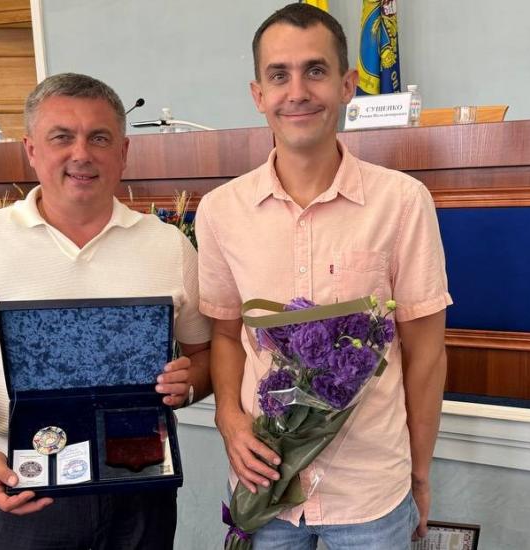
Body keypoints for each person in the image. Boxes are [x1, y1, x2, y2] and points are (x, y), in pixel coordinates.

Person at [0, 72, 211, 550]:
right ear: (31, 149)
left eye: (99, 138)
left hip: (139, 481)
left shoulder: (169, 246)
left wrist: (190, 381)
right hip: (28, 483)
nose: (82, 154)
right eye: (62, 137)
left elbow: (206, 355)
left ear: (123, 152)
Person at [194, 4, 451, 549]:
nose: (297, 92)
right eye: (278, 75)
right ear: (257, 93)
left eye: (315, 71)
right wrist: (229, 420)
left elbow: (426, 352)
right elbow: (225, 335)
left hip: (370, 492)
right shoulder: (220, 211)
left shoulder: (402, 202)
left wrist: (420, 475)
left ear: (347, 85)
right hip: (265, 486)